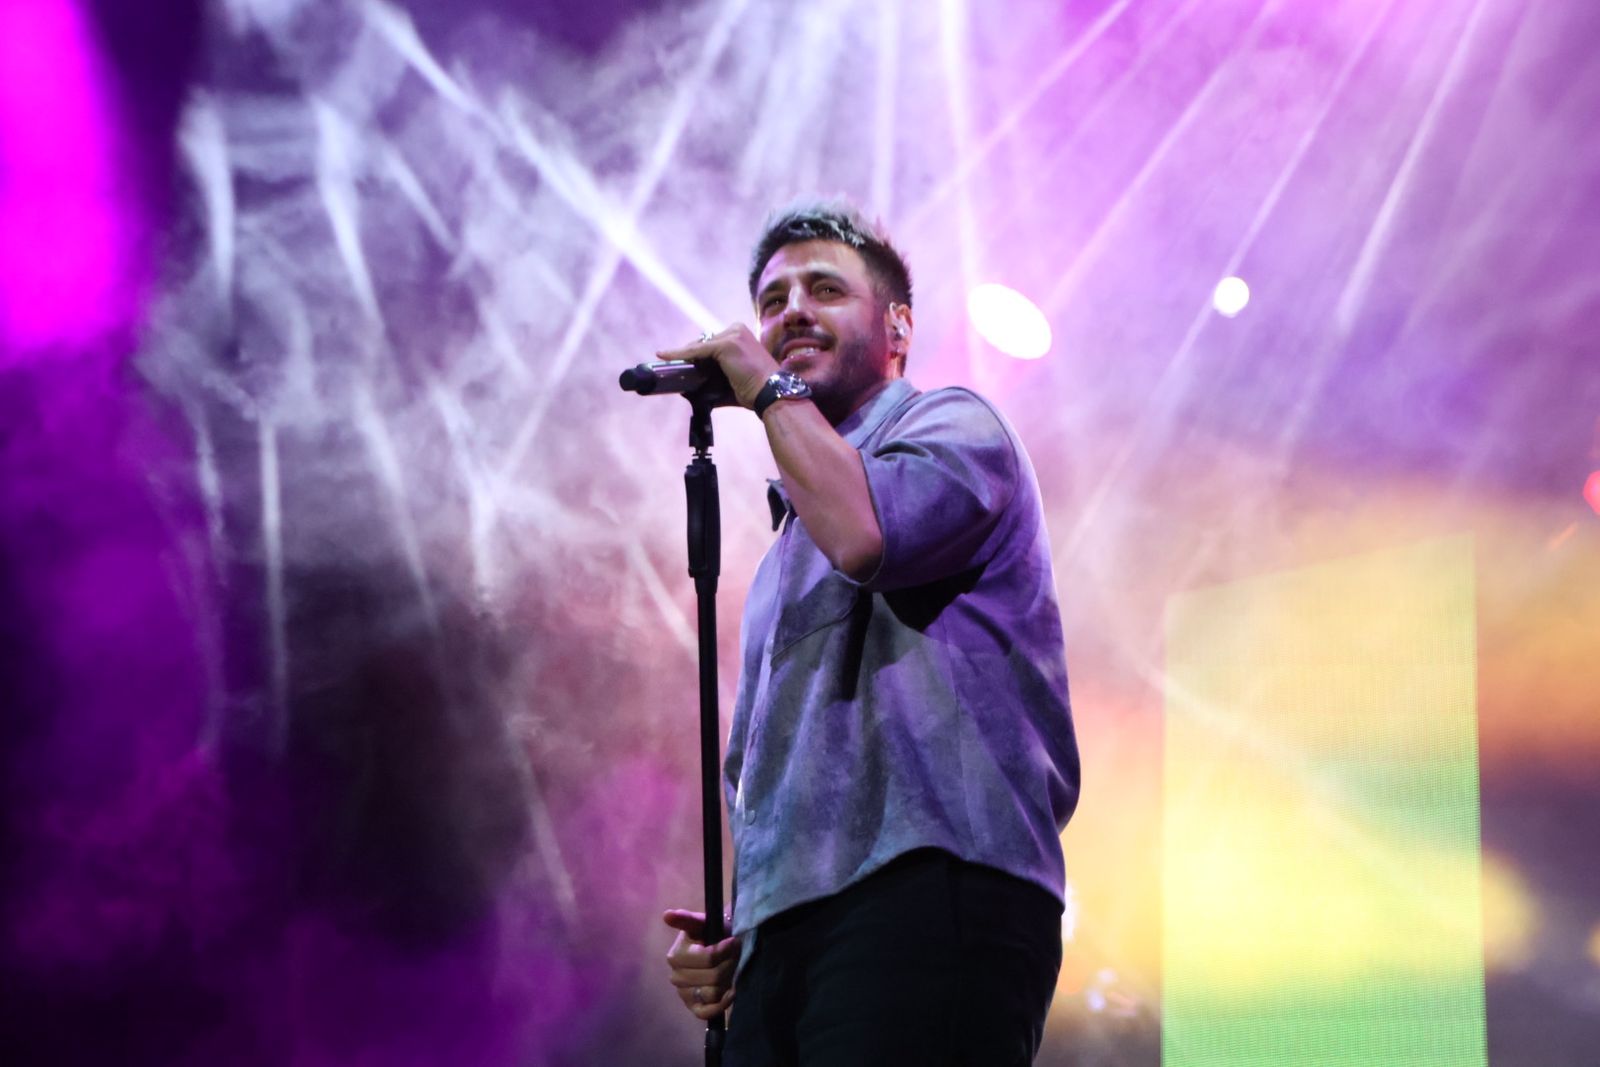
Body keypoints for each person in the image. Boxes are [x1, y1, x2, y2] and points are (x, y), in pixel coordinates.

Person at [658, 201, 1079, 1066]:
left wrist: (765, 388)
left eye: (824, 289)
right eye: (772, 300)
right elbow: (758, 771)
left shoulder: (958, 426)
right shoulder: (782, 552)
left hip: (931, 887)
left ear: (898, 328)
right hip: (790, 939)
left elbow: (866, 537)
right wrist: (744, 925)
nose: (790, 313)